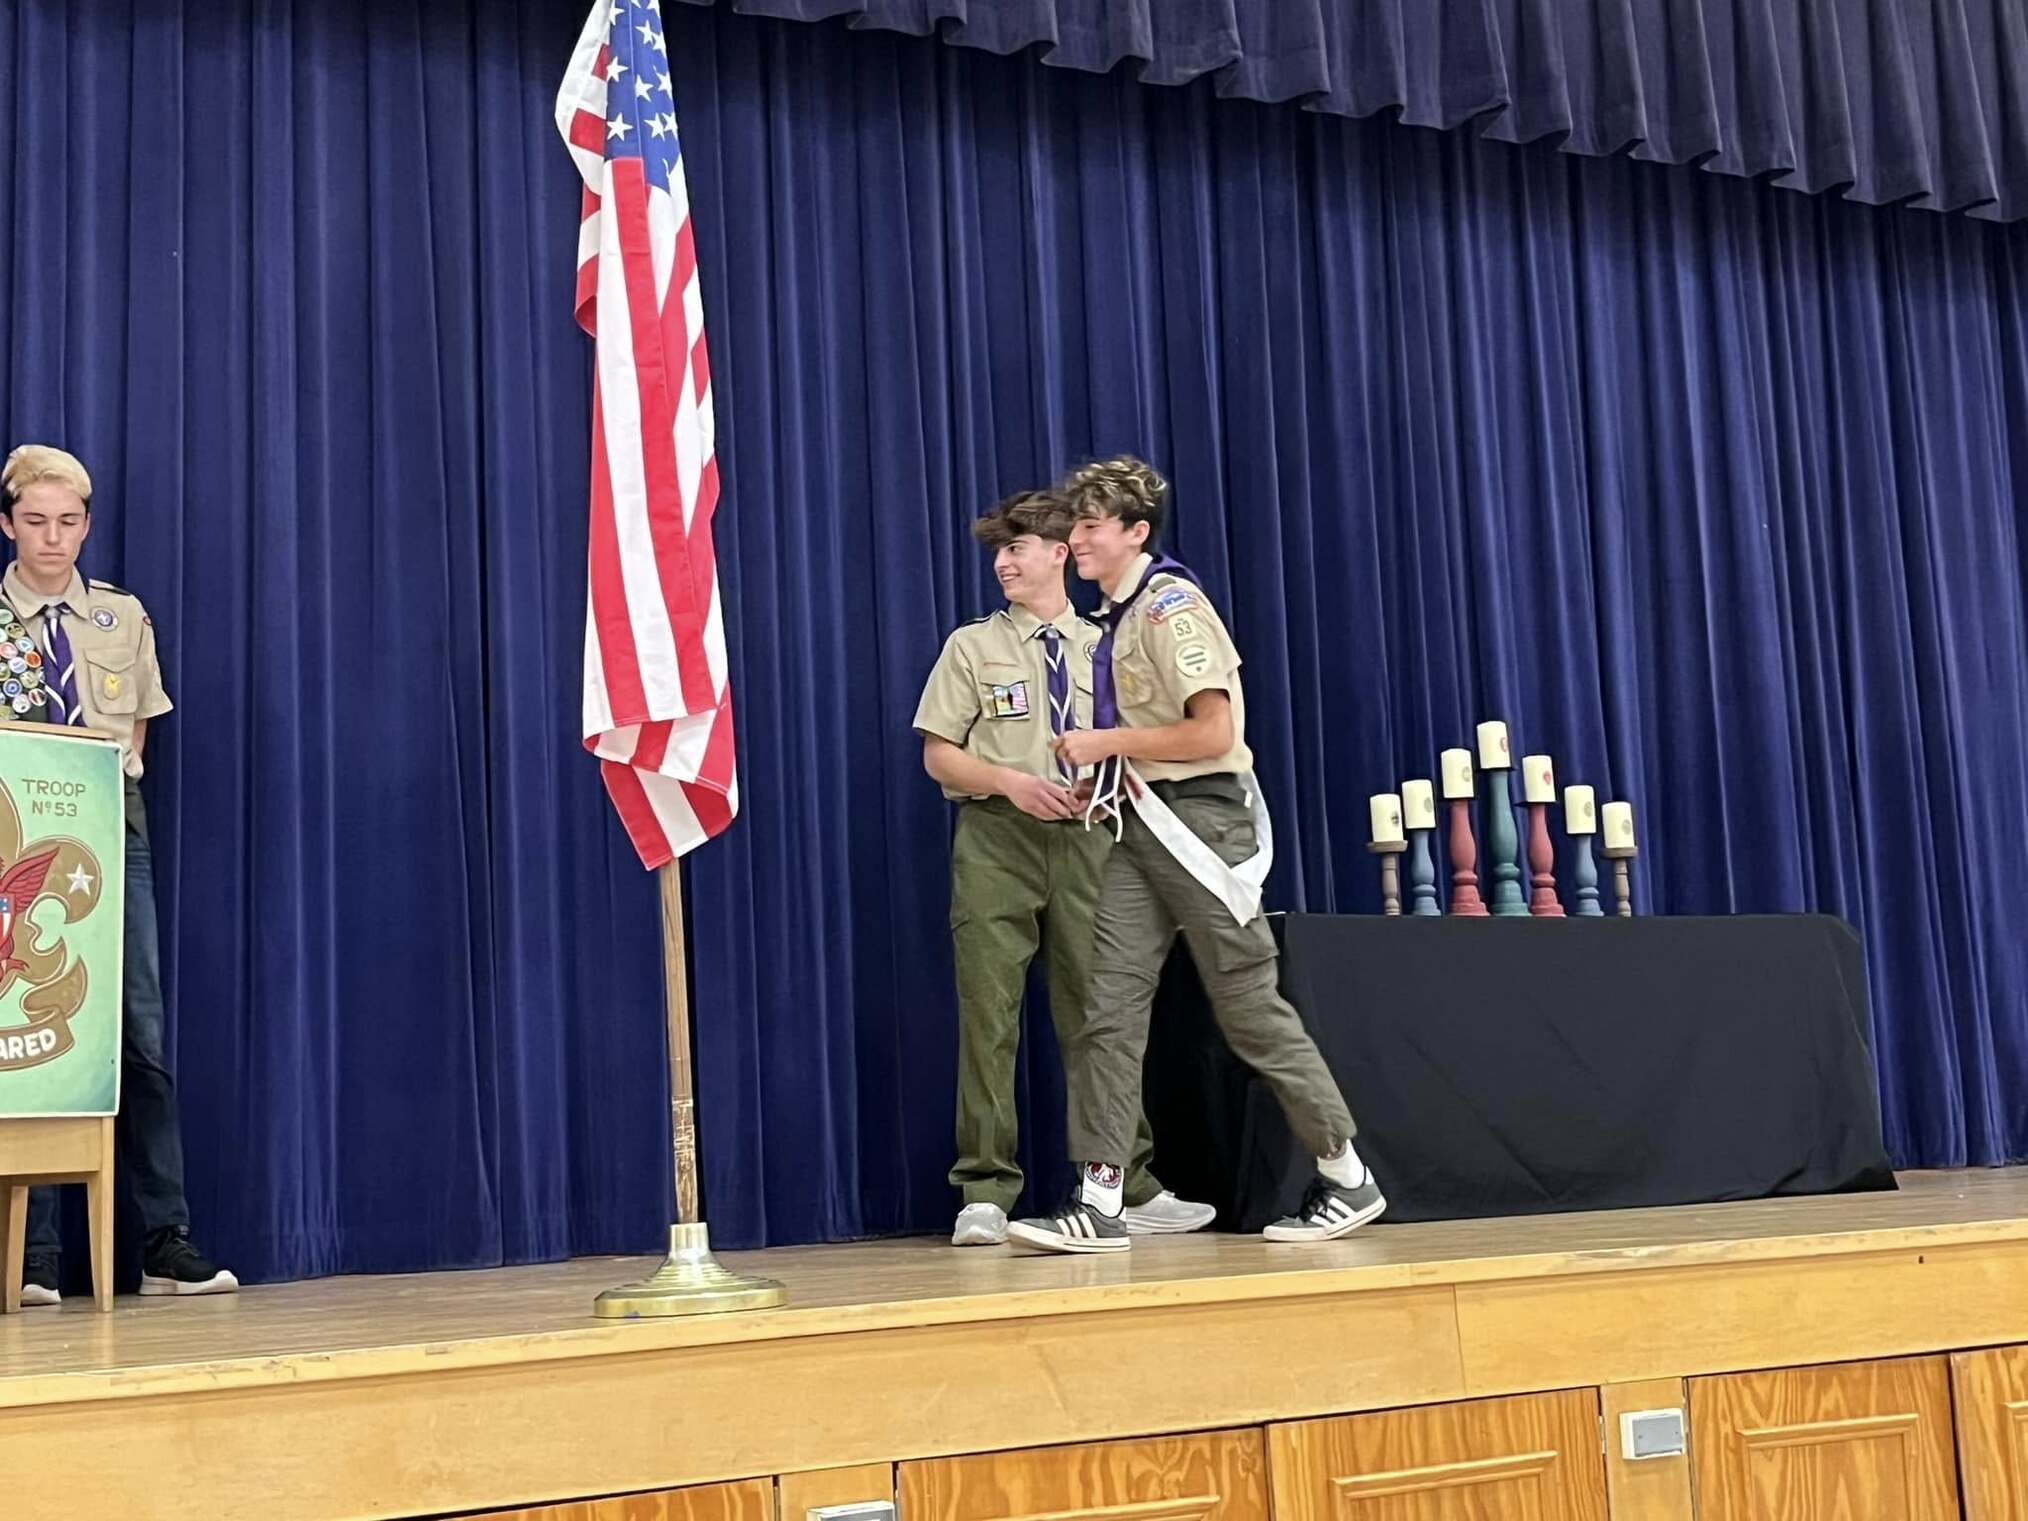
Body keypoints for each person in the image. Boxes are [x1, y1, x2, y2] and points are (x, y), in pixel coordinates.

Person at [1006, 456, 1386, 1255]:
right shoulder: (1118, 614)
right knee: (1106, 1004)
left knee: (1247, 1005)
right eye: (1072, 524)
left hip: (1201, 825)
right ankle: (1101, 1196)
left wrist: (1107, 739)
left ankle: (1348, 1174)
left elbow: (1213, 734)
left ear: (1136, 532)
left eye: (1091, 524)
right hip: (1135, 822)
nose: (1075, 538)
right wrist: (1104, 775)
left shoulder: (1171, 608)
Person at [914, 489, 1215, 1246]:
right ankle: (984, 1189)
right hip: (996, 841)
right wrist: (1012, 780)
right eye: (999, 551)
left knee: (1100, 1020)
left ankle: (1125, 1185)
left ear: (1060, 554)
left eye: (1019, 547)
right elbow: (937, 751)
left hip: (1091, 843)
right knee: (991, 1016)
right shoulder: (972, 647)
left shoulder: (1111, 646)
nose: (1004, 562)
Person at [4, 445, 237, 1302]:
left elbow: (135, 737)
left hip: (110, 834)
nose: (52, 538)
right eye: (35, 522)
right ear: (8, 524)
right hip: (15, 844)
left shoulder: (118, 618)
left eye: (68, 522)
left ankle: (163, 1236)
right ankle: (29, 1255)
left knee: (137, 1031)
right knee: (29, 1035)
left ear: (87, 525)